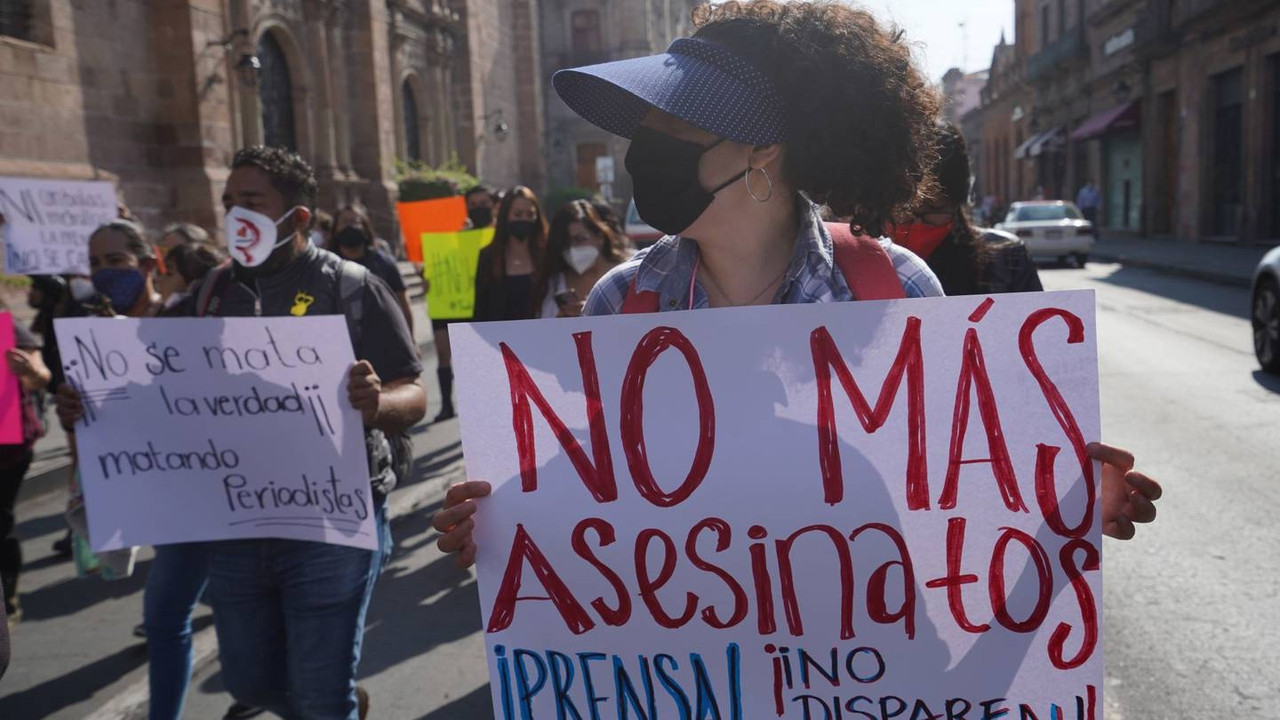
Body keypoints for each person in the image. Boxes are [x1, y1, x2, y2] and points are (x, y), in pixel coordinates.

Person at [434, 0, 1161, 568]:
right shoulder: (620, 303)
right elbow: (596, 491)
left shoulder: (895, 289)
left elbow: (950, 490)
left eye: (672, 128)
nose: (640, 152)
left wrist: (1059, 507)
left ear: (763, 154)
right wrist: (504, 523)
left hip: (849, 666)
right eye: (643, 129)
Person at [60, 146, 425, 720]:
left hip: (333, 520)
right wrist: (88, 399)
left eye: (251, 203)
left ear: (297, 217)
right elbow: (153, 388)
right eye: (229, 202)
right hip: (236, 522)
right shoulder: (208, 296)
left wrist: (378, 403)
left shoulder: (352, 287)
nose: (235, 215)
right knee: (250, 683)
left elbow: (414, 393)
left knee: (319, 696)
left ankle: (333, 700)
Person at [887, 123, 1042, 296]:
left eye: (935, 209)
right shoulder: (857, 265)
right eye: (903, 211)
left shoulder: (1006, 256)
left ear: (956, 206)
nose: (917, 223)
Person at [0, 304, 52, 626]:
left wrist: (28, 372)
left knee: (0, 523)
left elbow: (41, 377)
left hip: (7, 449)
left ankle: (8, 598)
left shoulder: (7, 326)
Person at [430, 185, 497, 424]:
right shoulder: (453, 236)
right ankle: (447, 405)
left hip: (481, 304)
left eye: (484, 204)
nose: (480, 209)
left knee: (476, 359)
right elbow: (439, 266)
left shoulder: (500, 236)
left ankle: (481, 409)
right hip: (450, 301)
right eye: (474, 205)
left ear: (493, 206)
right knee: (443, 352)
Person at [533, 200, 630, 319]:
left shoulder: (628, 275)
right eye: (566, 243)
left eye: (581, 239)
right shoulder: (554, 284)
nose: (574, 248)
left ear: (599, 237)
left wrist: (595, 310)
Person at [333, 205, 414, 333]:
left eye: (355, 222)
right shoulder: (327, 266)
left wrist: (412, 341)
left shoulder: (384, 263)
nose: (350, 227)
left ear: (365, 229)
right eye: (344, 222)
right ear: (335, 229)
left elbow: (402, 303)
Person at [472, 186, 547, 323]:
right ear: (506, 216)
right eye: (518, 214)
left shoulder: (547, 256)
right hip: (499, 340)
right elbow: (480, 310)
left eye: (530, 215)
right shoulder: (488, 257)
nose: (524, 219)